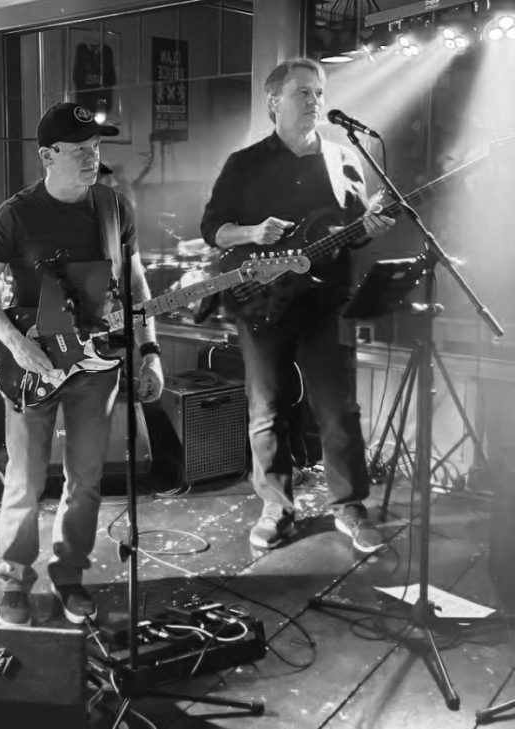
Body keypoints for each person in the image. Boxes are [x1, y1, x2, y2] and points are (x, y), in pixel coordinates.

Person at [0, 102, 164, 627]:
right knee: (25, 480)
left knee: (86, 478)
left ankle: (69, 575)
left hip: (99, 364)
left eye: (96, 148)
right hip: (33, 364)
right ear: (48, 155)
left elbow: (135, 283)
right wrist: (15, 344)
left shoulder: (114, 208)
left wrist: (149, 350)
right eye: (79, 150)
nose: (92, 158)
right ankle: (15, 582)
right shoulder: (17, 214)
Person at [200, 58, 395, 553]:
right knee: (267, 407)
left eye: (319, 92)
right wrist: (251, 232)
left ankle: (349, 506)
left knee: (338, 408)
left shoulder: (342, 158)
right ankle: (277, 507)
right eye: (303, 93)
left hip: (325, 301)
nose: (315, 101)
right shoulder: (244, 163)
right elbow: (212, 229)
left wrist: (369, 228)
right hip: (261, 301)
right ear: (274, 102)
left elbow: (350, 232)